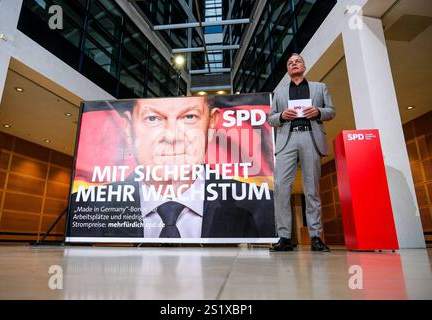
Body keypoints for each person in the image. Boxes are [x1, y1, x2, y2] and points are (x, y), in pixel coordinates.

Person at [69, 96, 275, 239]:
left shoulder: (256, 205)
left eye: (189, 117)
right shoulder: (86, 207)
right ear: (128, 128)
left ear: (211, 124)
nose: (172, 136)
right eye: (152, 119)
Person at [267, 53, 335, 252]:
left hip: (310, 137)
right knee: (281, 188)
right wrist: (281, 115)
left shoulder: (319, 87)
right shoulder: (279, 92)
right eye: (290, 63)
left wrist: (319, 112)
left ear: (304, 66)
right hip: (287, 139)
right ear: (287, 70)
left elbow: (331, 111)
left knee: (312, 188)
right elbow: (271, 119)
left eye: (297, 61)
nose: (293, 64)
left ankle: (315, 237)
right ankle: (285, 237)